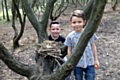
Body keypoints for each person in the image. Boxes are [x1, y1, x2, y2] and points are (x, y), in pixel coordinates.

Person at [64, 10, 100, 80]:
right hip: (77, 63)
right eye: (74, 22)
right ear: (71, 23)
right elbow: (69, 49)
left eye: (79, 22)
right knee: (78, 78)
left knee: (91, 77)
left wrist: (96, 60)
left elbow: (94, 46)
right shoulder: (70, 36)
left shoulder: (89, 33)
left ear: (84, 22)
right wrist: (71, 62)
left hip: (90, 61)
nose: (77, 24)